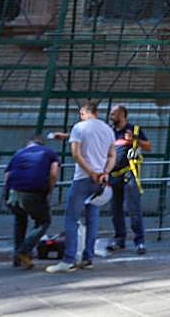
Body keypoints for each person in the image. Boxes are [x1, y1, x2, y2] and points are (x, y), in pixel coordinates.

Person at [46, 100, 115, 274]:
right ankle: (88, 258)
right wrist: (105, 172)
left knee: (71, 218)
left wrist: (90, 171)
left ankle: (68, 260)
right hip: (100, 179)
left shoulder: (79, 127)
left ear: (83, 113)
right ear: (96, 113)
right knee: (92, 218)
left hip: (83, 178)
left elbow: (76, 154)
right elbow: (112, 155)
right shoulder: (107, 129)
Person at [4, 134, 60, 270]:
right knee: (43, 221)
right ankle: (23, 250)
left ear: (28, 144)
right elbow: (53, 174)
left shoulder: (18, 153)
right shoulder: (50, 153)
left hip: (13, 192)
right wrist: (49, 191)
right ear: (42, 144)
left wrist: (7, 195)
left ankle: (17, 258)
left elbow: (7, 175)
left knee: (20, 219)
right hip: (34, 191)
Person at [106, 105, 152, 256]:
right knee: (115, 210)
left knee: (133, 209)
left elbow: (148, 146)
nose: (111, 116)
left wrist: (134, 141)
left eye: (113, 114)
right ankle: (119, 240)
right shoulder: (109, 132)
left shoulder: (134, 130)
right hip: (113, 176)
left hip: (129, 175)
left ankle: (139, 241)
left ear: (122, 114)